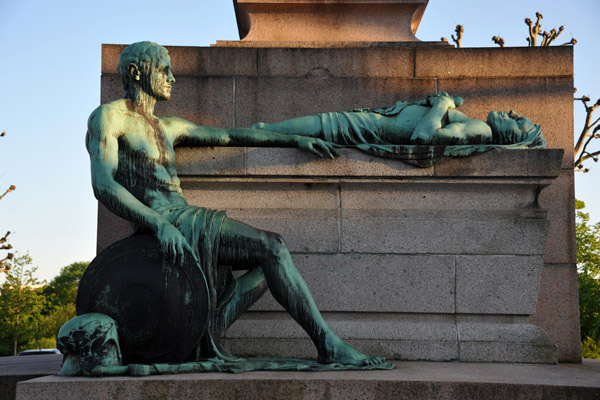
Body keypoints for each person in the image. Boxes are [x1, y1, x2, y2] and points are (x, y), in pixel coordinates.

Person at [85, 41, 383, 366]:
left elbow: (231, 135)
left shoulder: (169, 126)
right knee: (273, 247)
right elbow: (104, 183)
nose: (172, 77)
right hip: (169, 223)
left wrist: (293, 140)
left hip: (186, 221)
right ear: (135, 72)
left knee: (266, 261)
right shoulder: (109, 117)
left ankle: (204, 330)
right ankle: (329, 345)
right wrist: (159, 224)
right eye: (163, 69)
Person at [250, 92, 545, 166]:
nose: (513, 113)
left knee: (277, 130)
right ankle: (249, 134)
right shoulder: (476, 126)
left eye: (519, 122)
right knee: (281, 129)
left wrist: (441, 104)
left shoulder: (479, 130)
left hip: (364, 129)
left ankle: (246, 136)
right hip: (369, 122)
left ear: (512, 138)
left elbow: (424, 138)